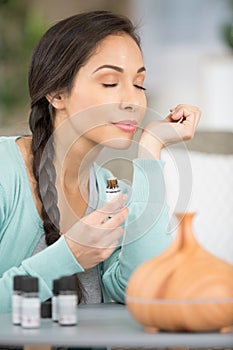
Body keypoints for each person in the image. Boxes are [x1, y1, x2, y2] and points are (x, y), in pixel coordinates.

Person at [0, 10, 201, 314]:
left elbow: (142, 292)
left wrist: (150, 149)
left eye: (139, 84)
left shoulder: (110, 191)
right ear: (56, 92)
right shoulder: (5, 170)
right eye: (110, 82)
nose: (132, 100)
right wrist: (69, 254)